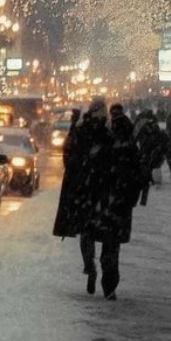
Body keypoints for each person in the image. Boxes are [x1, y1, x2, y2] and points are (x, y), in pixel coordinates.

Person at [53, 97, 139, 300]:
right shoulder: (112, 134)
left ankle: (89, 266)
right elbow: (129, 163)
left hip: (88, 194)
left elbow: (69, 158)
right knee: (110, 243)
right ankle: (109, 285)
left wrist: (80, 178)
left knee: (87, 233)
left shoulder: (82, 131)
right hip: (110, 196)